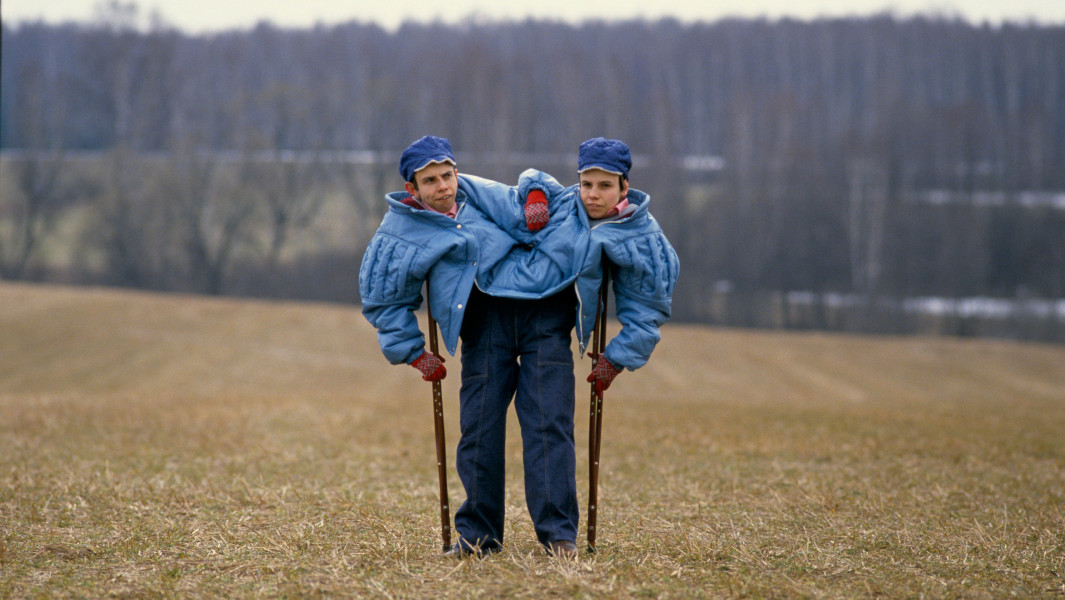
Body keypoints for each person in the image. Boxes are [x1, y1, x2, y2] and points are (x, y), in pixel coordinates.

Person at [359, 136, 586, 559]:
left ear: (456, 173)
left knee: (548, 421)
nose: (443, 186)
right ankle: (478, 537)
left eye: (447, 175)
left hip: (546, 311)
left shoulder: (477, 192)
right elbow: (384, 298)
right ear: (412, 188)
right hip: (485, 321)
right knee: (479, 428)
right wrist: (415, 353)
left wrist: (536, 197)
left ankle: (559, 535)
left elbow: (534, 190)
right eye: (431, 181)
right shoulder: (400, 231)